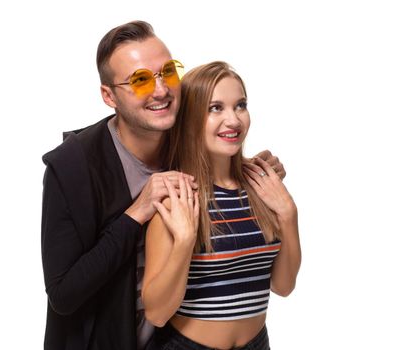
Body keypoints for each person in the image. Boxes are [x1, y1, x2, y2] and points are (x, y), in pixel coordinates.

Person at [41, 21, 286, 350]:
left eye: (168, 72)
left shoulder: (184, 135)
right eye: (140, 80)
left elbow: (219, 156)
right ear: (108, 96)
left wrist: (250, 170)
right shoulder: (72, 167)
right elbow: (64, 295)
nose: (160, 90)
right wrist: (135, 213)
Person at [142, 61, 302, 349]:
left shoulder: (261, 188)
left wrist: (289, 215)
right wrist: (184, 243)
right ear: (191, 118)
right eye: (215, 108)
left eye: (240, 105)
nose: (234, 120)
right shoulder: (177, 198)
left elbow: (283, 286)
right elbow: (156, 313)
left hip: (257, 342)